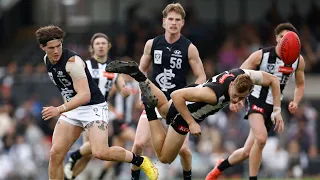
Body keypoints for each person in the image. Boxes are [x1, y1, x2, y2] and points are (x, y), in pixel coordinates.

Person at [105, 60, 284, 175]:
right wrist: (191, 123)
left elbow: (272, 80)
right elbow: (176, 95)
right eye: (235, 95)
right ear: (233, 86)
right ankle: (150, 108)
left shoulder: (243, 75)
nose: (236, 100)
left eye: (241, 98)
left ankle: (138, 74)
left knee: (166, 109)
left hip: (185, 103)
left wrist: (277, 109)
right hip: (185, 115)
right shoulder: (213, 95)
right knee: (165, 157)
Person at [35, 26, 158, 180]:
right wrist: (65, 109)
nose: (56, 51)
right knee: (55, 154)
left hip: (93, 108)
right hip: (73, 108)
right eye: (51, 48)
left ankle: (141, 161)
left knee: (100, 152)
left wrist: (59, 109)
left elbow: (85, 95)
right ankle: (74, 162)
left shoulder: (73, 62)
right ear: (42, 47)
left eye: (59, 46)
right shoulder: (47, 60)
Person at [205, 23, 305, 180]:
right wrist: (236, 98)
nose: (285, 41)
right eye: (282, 37)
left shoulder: (298, 60)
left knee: (247, 151)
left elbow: (300, 85)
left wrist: (296, 101)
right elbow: (239, 74)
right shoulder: (261, 55)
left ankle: (219, 167)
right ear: (277, 38)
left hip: (273, 105)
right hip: (256, 98)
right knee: (261, 138)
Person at [131, 2, 206, 180]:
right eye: (170, 19)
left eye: (177, 20)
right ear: (164, 22)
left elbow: (202, 77)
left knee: (184, 150)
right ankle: (134, 177)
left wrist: (190, 96)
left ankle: (187, 177)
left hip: (177, 105)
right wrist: (141, 94)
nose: (173, 23)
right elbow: (141, 72)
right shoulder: (152, 44)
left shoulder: (189, 47)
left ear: (182, 23)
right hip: (155, 101)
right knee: (138, 144)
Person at [63, 33, 133, 179]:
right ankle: (73, 158)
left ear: (108, 46)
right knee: (92, 149)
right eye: (98, 43)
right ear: (92, 47)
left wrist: (126, 91)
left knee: (90, 153)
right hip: (84, 109)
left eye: (103, 43)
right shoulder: (85, 65)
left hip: (101, 112)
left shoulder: (114, 68)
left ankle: (70, 173)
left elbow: (122, 89)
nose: (101, 46)